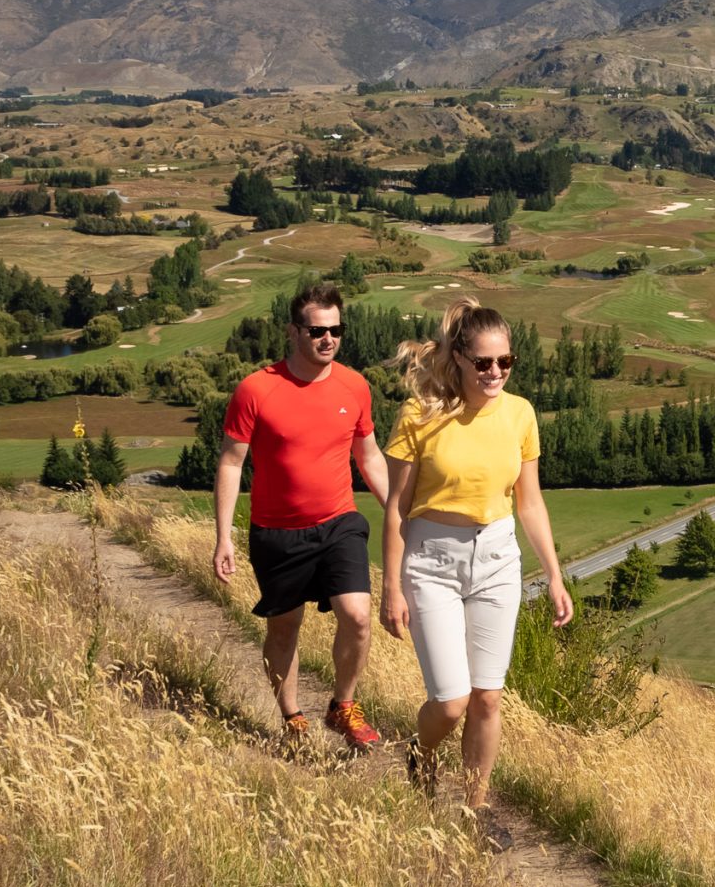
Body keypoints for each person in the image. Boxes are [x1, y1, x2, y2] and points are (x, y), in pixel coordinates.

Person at [382, 298, 572, 810]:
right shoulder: (419, 413)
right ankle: (421, 754)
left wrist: (554, 576)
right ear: (459, 359)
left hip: (497, 559)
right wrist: (391, 586)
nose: (495, 373)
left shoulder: (520, 414)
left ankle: (476, 807)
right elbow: (397, 508)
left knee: (488, 697)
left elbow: (529, 502)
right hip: (431, 561)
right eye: (484, 362)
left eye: (505, 362)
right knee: (450, 703)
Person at [214, 283, 391, 749]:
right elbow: (232, 463)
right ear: (294, 332)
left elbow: (368, 456)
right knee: (284, 627)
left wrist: (398, 509)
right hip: (277, 532)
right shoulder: (256, 389)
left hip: (339, 523)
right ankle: (292, 716)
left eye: (336, 330)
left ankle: (343, 706)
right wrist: (223, 537)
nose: (328, 339)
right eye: (317, 330)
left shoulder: (354, 385)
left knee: (356, 616)